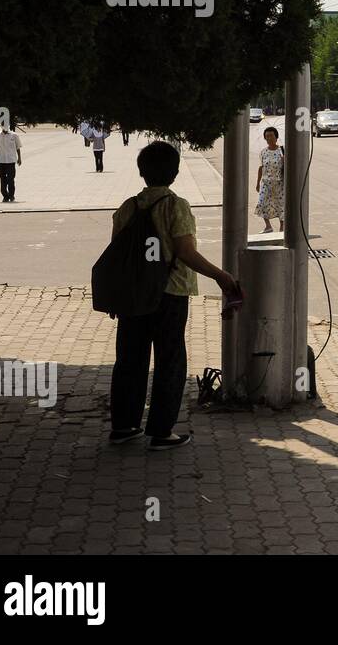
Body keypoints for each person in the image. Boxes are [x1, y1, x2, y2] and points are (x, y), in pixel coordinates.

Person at [109, 141, 239, 450]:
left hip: (133, 296)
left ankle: (124, 426)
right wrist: (221, 277)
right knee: (170, 360)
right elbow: (185, 252)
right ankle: (161, 431)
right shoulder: (175, 205)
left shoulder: (127, 207)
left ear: (141, 172)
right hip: (170, 294)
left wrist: (116, 296)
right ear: (175, 172)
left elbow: (118, 256)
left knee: (129, 360)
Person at [255, 126, 285, 233]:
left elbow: (287, 167)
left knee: (280, 205)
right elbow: (261, 167)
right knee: (262, 203)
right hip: (266, 183)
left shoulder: (282, 151)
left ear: (276, 137)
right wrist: (258, 183)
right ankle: (268, 226)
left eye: (271, 136)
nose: (269, 138)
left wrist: (284, 160)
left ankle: (282, 227)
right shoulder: (263, 152)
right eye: (267, 136)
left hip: (279, 183)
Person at [0, 123, 23, 203]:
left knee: (11, 179)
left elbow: (18, 147)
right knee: (3, 179)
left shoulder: (14, 135)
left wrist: (19, 158)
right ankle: (5, 196)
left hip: (11, 161)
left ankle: (11, 195)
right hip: (0, 161)